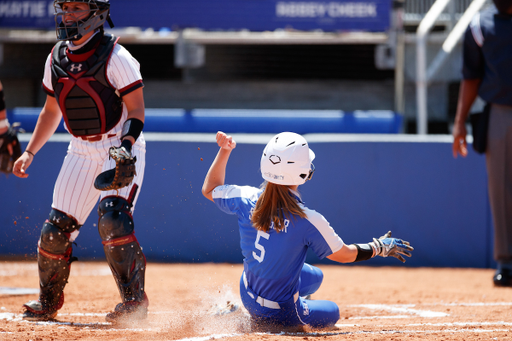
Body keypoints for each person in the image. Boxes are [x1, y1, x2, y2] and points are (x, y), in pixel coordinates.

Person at [12, 0, 148, 322]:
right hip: (80, 151)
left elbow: (137, 109)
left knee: (113, 219)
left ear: (96, 13)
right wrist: (30, 151)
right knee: (54, 232)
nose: (68, 15)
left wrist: (126, 147)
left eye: (77, 8)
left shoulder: (117, 55)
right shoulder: (56, 56)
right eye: (65, 8)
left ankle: (134, 304)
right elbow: (50, 111)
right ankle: (48, 302)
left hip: (119, 146)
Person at [202, 131, 413, 330]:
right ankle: (249, 318)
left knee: (316, 276)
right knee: (333, 312)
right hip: (280, 313)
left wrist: (225, 151)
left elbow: (209, 189)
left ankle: (252, 309)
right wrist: (378, 247)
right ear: (302, 173)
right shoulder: (307, 219)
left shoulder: (245, 197)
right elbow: (344, 254)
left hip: (246, 289)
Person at [452, 0, 512, 287]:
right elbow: (471, 76)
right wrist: (460, 121)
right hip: (501, 112)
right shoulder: (480, 25)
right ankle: (507, 262)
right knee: (501, 188)